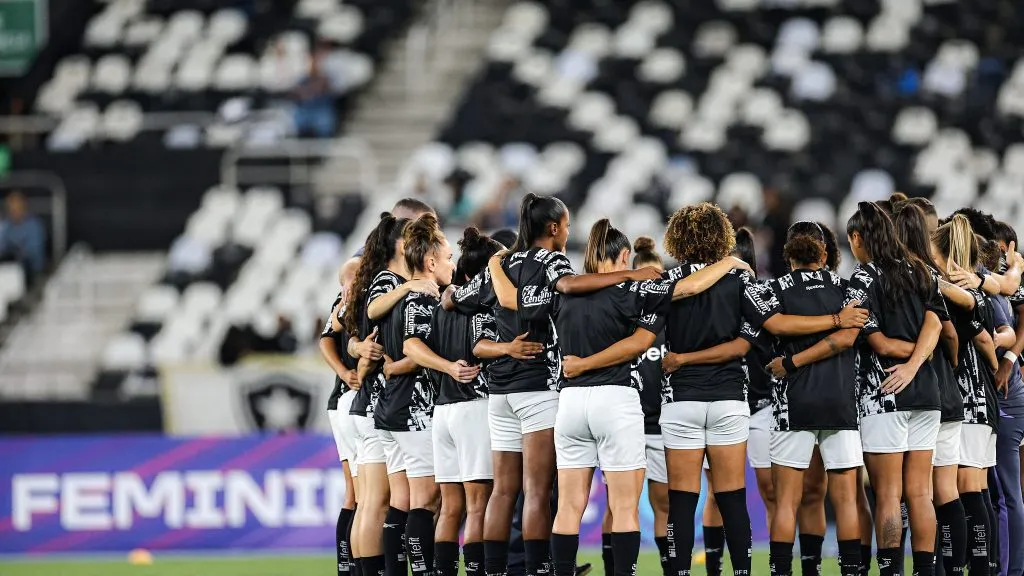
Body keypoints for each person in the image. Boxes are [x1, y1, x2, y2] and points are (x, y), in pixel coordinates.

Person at [537, 220, 748, 576]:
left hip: (570, 403)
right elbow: (687, 287)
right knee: (624, 508)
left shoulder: (564, 291)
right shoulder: (632, 291)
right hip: (614, 400)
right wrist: (728, 261)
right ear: (624, 256)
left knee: (568, 507)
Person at [752, 221, 867, 576]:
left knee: (787, 502)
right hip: (841, 404)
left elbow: (775, 326)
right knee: (846, 501)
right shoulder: (848, 290)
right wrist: (836, 319)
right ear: (825, 252)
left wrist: (791, 361)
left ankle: (781, 572)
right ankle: (851, 571)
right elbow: (848, 337)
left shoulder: (772, 290)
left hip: (793, 405)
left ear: (789, 254)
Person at [845, 201, 945, 576]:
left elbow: (881, 344)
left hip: (884, 393)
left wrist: (907, 362)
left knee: (888, 494)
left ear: (858, 238)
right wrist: (920, 358)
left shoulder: (863, 278)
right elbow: (936, 324)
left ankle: (890, 571)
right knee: (921, 493)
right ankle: (925, 570)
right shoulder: (921, 270)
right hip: (928, 393)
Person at [403, 228, 507, 576]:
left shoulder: (440, 308)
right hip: (474, 407)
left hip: (443, 411)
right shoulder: (482, 306)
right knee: (478, 506)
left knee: (450, 508)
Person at [342, 213, 437, 576]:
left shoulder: (375, 280)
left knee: (372, 502)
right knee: (379, 503)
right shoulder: (388, 280)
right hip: (377, 401)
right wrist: (408, 287)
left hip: (367, 403)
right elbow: (372, 310)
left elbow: (342, 324)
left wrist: (355, 349)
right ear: (401, 244)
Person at [374, 213, 458, 576]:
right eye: (449, 258)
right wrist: (448, 365)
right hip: (413, 410)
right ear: (431, 262)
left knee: (403, 502)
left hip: (390, 407)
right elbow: (413, 348)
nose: (453, 264)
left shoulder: (398, 295)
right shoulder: (422, 297)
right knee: (427, 500)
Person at [932, 215, 1001, 576]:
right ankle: (984, 566)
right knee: (975, 487)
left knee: (966, 487)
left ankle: (976, 568)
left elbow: (985, 338)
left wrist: (992, 365)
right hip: (980, 398)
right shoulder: (973, 288)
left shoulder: (959, 290)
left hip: (969, 398)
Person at [321, 265, 362, 576]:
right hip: (348, 400)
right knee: (360, 495)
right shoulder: (348, 300)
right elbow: (327, 336)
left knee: (359, 495)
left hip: (347, 401)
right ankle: (352, 567)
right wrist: (344, 372)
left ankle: (350, 567)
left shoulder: (352, 300)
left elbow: (326, 336)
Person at [291, 46, 337, 138]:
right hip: (305, 111)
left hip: (322, 111)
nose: (314, 64)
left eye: (317, 61)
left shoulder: (327, 78)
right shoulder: (302, 79)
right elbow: (297, 94)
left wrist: (310, 91)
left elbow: (323, 88)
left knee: (324, 124)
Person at [0, 191, 46, 283]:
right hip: (8, 265)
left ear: (24, 208)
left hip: (30, 268)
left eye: (18, 208)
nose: (15, 212)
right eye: (12, 209)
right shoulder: (5, 225)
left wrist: (17, 253)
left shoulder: (34, 225)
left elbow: (35, 252)